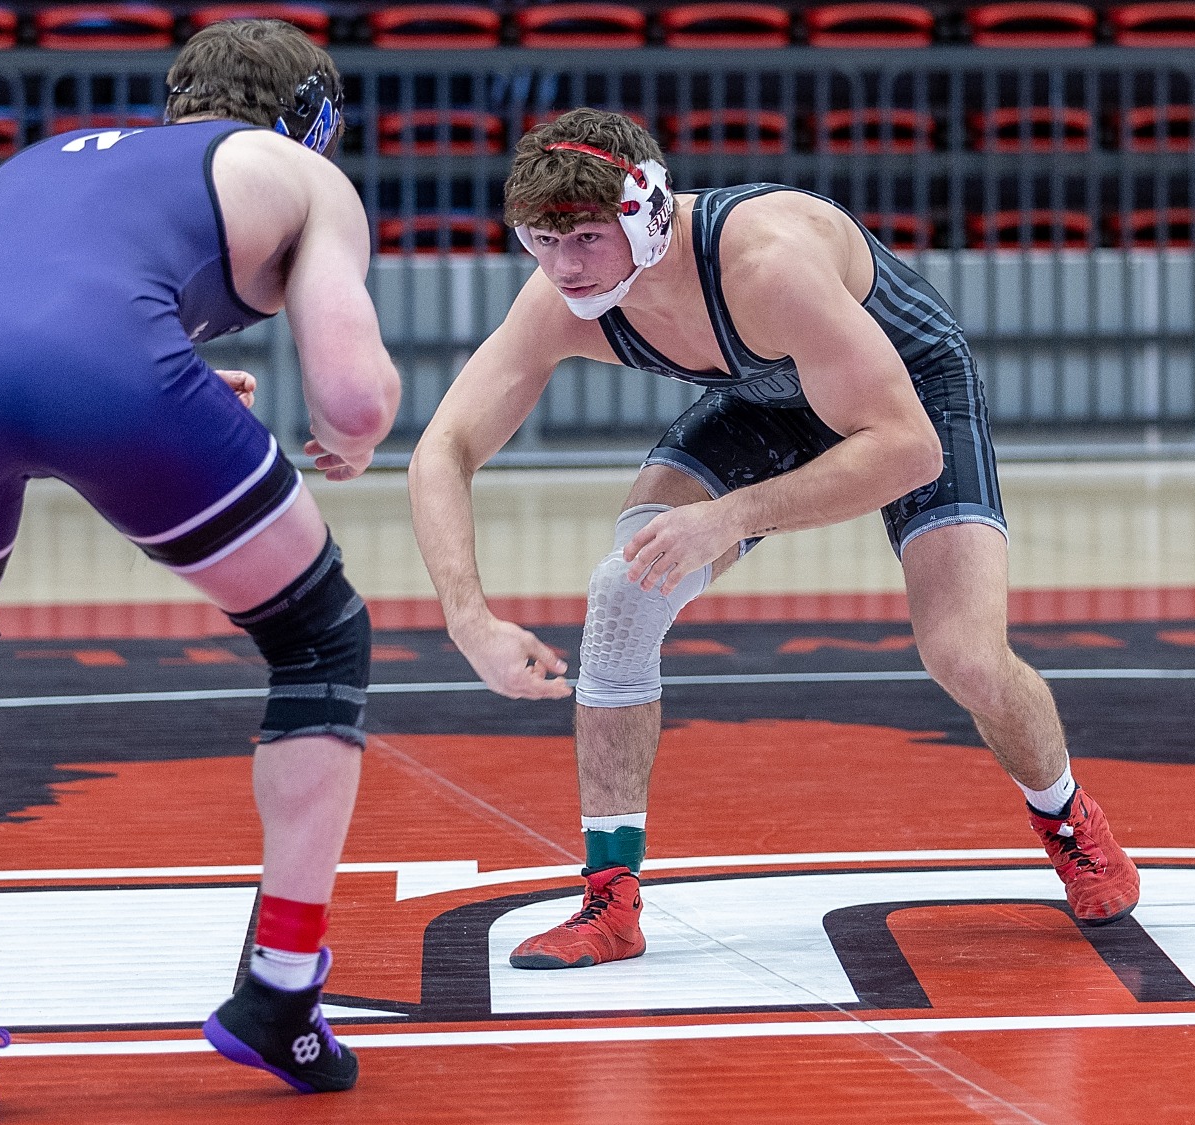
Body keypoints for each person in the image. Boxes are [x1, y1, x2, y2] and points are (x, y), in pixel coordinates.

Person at [408, 109, 1140, 972]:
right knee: (623, 595)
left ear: (648, 213)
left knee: (965, 657)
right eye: (541, 240)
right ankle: (610, 900)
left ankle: (1066, 817)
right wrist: (468, 616)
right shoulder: (563, 298)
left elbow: (907, 449)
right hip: (766, 397)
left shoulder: (765, 263)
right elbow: (442, 449)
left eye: (586, 239)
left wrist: (730, 515)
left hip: (903, 400)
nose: (564, 267)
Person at [0, 20, 398, 1111]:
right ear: (314, 120)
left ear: (176, 102)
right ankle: (281, 991)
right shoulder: (297, 172)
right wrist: (355, 435)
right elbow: (351, 398)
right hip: (110, 383)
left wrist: (178, 394)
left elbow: (36, 327)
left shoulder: (41, 160)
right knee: (318, 637)